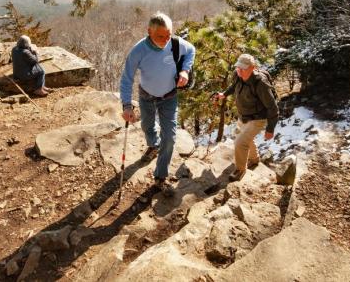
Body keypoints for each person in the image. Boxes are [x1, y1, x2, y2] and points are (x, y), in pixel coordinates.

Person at [120, 12, 196, 195]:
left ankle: (160, 176)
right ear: (149, 32)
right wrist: (126, 106)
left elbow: (191, 50)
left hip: (169, 97)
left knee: (169, 137)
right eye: (160, 36)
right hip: (146, 96)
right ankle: (153, 144)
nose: (165, 40)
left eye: (168, 35)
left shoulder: (176, 44)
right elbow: (127, 78)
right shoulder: (139, 50)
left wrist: (185, 71)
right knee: (147, 126)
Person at [212, 54, 280, 182]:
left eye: (243, 68)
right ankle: (254, 159)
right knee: (244, 138)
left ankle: (240, 170)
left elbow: (273, 108)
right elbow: (234, 86)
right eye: (238, 67)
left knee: (240, 142)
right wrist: (224, 94)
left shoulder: (261, 83)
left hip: (258, 118)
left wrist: (270, 129)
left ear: (253, 68)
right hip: (243, 115)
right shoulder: (238, 74)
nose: (240, 71)